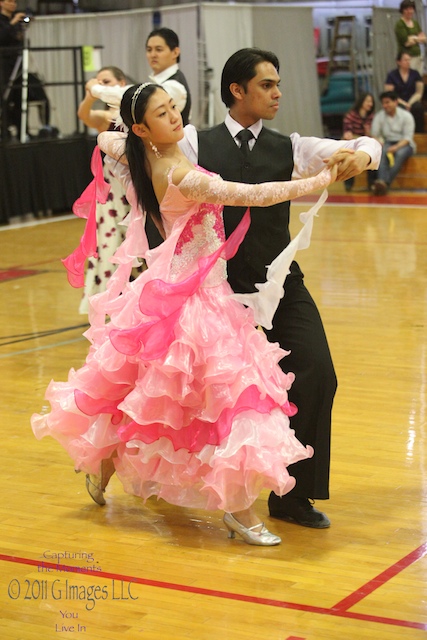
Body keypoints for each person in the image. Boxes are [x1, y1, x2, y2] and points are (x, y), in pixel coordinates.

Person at [31, 82, 338, 546]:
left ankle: (100, 468)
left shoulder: (136, 151)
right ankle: (239, 512)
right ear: (142, 127)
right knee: (229, 404)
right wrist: (322, 180)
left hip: (174, 293)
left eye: (173, 107)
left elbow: (105, 137)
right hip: (196, 303)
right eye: (161, 113)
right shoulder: (178, 174)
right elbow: (256, 194)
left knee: (136, 398)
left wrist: (107, 92)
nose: (175, 116)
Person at [100, 48, 382, 529]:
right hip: (216, 293)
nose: (277, 93)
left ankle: (292, 495)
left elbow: (363, 147)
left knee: (317, 370)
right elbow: (133, 146)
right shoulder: (190, 143)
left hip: (277, 285)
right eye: (267, 84)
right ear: (238, 90)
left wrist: (359, 153)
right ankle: (169, 478)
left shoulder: (289, 145)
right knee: (193, 397)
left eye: (277, 84)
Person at [77, 65, 132, 314]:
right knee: (110, 241)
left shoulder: (133, 112)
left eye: (107, 81)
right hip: (112, 193)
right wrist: (90, 93)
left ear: (121, 83)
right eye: (100, 82)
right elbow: (84, 115)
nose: (102, 85)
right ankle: (110, 300)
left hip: (134, 188)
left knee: (135, 240)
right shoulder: (105, 117)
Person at [0, 0, 49, 138]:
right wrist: (13, 23)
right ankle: (5, 131)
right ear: (1, 3)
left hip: (19, 64)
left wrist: (24, 25)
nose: (13, 4)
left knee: (22, 98)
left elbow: (22, 40)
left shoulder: (17, 22)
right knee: (6, 99)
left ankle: (25, 131)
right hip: (4, 66)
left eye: (14, 1)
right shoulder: (7, 22)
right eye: (9, 1)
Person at [371, 90, 416, 196]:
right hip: (387, 142)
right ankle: (382, 183)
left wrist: (396, 147)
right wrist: (380, 143)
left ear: (395, 102)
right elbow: (374, 134)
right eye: (383, 103)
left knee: (400, 154)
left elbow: (407, 138)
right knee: (381, 153)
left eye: (388, 102)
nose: (385, 105)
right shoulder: (379, 116)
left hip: (404, 144)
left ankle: (384, 183)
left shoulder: (406, 116)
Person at [145, 27, 191, 125]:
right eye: (149, 50)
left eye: (159, 49)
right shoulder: (158, 81)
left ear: (175, 52)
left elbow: (144, 103)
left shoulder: (174, 85)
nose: (153, 55)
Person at [342, 92, 376, 191]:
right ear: (361, 102)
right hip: (354, 141)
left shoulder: (372, 117)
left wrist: (368, 133)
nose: (370, 104)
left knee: (372, 154)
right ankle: (348, 183)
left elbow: (372, 134)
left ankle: (371, 183)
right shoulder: (351, 115)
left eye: (371, 102)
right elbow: (347, 131)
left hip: (367, 142)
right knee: (349, 154)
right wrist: (348, 134)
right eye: (368, 101)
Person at [385, 52, 425, 133]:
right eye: (405, 60)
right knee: (399, 109)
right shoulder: (392, 75)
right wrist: (403, 103)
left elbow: (419, 92)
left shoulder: (415, 74)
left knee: (418, 108)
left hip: (412, 100)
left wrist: (409, 103)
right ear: (399, 62)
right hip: (397, 101)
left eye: (409, 60)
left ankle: (419, 133)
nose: (408, 62)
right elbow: (389, 93)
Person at [394, 0, 427, 74]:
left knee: (418, 80)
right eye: (407, 9)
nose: (410, 11)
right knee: (408, 82)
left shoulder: (415, 23)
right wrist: (417, 38)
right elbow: (407, 43)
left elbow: (424, 39)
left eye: (411, 9)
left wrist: (413, 38)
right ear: (402, 10)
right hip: (407, 59)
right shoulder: (400, 24)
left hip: (418, 56)